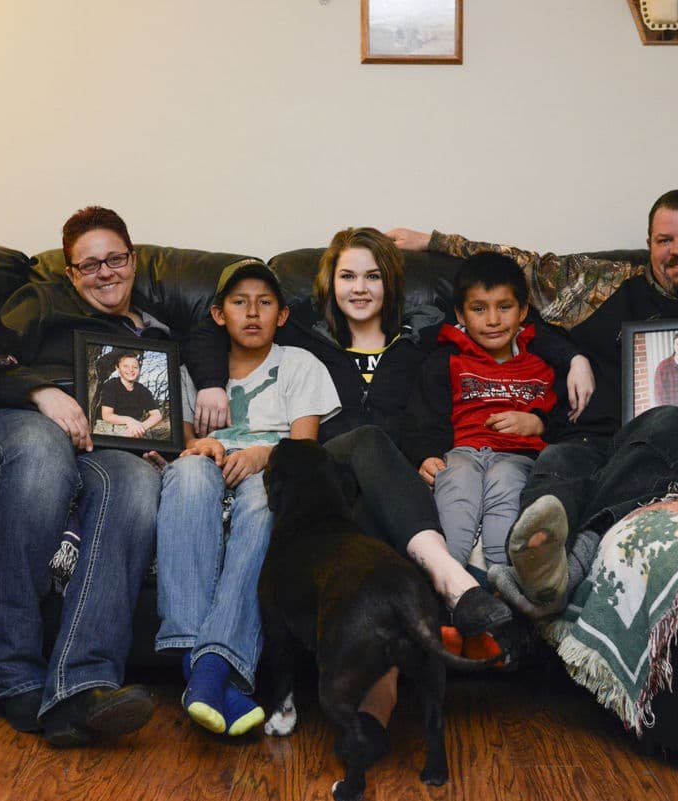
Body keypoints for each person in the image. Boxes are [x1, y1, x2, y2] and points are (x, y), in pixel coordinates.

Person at [184, 227, 592, 748]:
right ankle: (461, 585)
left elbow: (507, 322)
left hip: (397, 495)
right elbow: (209, 326)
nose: (359, 287)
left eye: (373, 276)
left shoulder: (423, 337)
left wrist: (573, 357)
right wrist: (213, 381)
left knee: (382, 511)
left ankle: (378, 717)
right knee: (367, 439)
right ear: (328, 284)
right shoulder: (302, 333)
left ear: (391, 284)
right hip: (332, 484)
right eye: (347, 276)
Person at [389, 187, 678, 618]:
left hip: (667, 447)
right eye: (663, 240)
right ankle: (537, 564)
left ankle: (567, 566)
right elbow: (524, 266)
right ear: (650, 244)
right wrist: (431, 239)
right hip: (587, 438)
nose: (677, 251)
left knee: (671, 420)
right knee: (556, 462)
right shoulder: (607, 284)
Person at [0, 206, 170, 746]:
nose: (105, 272)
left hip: (92, 447)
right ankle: (12, 676)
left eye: (115, 259)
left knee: (136, 483)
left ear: (133, 261)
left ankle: (80, 686)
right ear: (69, 273)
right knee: (44, 446)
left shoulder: (154, 332)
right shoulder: (40, 301)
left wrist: (157, 445)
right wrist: (38, 392)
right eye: (89, 265)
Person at [153, 260, 340, 737]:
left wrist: (262, 454)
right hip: (210, 471)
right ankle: (215, 678)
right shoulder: (193, 370)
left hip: (270, 471)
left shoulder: (299, 365)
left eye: (265, 302)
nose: (252, 312)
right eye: (239, 302)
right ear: (218, 315)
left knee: (264, 500)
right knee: (190, 472)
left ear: (282, 314)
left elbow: (303, 447)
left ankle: (207, 672)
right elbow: (186, 439)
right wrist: (204, 445)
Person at [403, 252, 559, 569]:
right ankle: (448, 576)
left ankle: (501, 580)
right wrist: (425, 455)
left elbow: (569, 421)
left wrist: (538, 423)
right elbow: (422, 417)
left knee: (506, 481)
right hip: (463, 453)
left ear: (523, 310)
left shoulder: (542, 366)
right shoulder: (446, 360)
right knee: (456, 479)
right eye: (478, 309)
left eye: (504, 307)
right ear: (460, 314)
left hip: (517, 457)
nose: (492, 320)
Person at [98, 352, 163, 437]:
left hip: (135, 428)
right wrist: (129, 420)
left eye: (135, 367)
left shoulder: (143, 390)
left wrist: (140, 427)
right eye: (126, 366)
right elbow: (107, 415)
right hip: (111, 427)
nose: (131, 370)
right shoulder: (111, 385)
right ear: (117, 368)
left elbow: (156, 415)